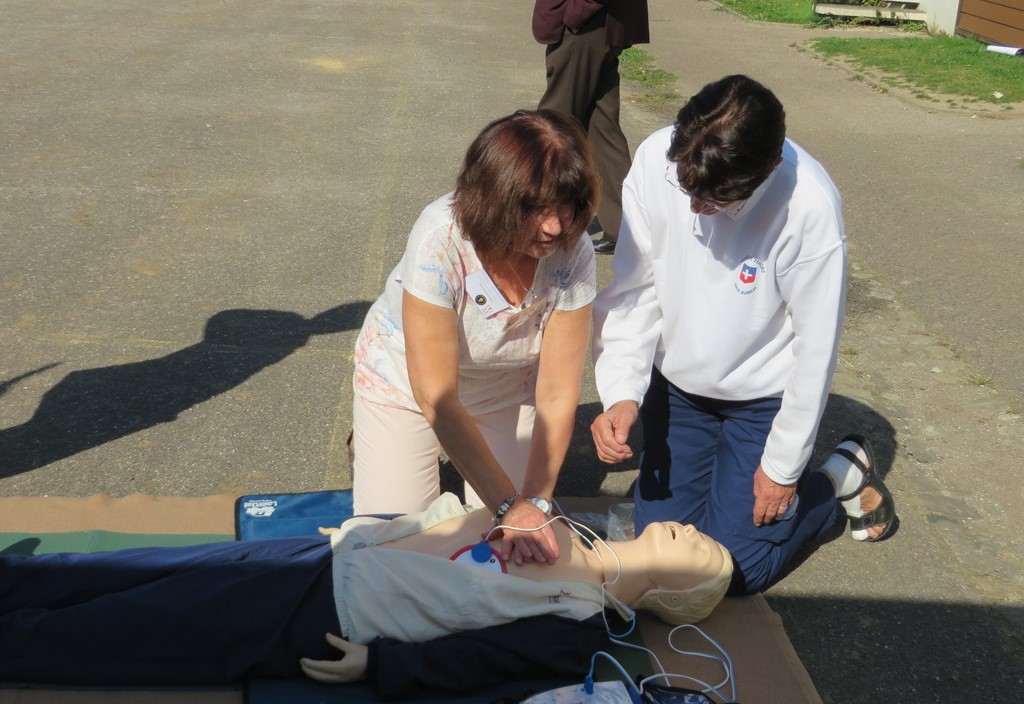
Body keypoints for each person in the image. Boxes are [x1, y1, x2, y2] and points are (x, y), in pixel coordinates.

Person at [590, 75, 897, 595]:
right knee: (665, 555)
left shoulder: (810, 207)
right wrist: (621, 392)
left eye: (715, 202)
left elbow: (814, 351)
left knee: (731, 571)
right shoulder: (653, 161)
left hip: (762, 400)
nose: (694, 210)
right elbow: (635, 289)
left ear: (770, 168)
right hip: (680, 389)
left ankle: (832, 479)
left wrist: (781, 468)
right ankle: (752, 489)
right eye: (687, 190)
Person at [0, 494, 733, 700]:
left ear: (679, 591)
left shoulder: (577, 626)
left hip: (327, 617)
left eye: (696, 549)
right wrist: (386, 528)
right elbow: (462, 522)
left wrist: (380, 668)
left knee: (135, 626)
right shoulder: (565, 519)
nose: (686, 530)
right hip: (330, 555)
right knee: (137, 572)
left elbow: (478, 661)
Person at [351, 109, 599, 568]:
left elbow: (560, 392)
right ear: (493, 198)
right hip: (408, 387)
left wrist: (535, 505)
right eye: (535, 208)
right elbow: (436, 394)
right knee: (399, 551)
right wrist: (509, 504)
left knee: (510, 549)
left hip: (503, 390)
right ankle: (379, 439)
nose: (554, 226)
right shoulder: (439, 238)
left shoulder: (574, 251)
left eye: (567, 204)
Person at [532, 0, 650, 253]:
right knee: (602, 130)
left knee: (550, 129)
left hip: (586, 25)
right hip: (598, 24)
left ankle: (529, 211)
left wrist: (577, 12)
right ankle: (627, 227)